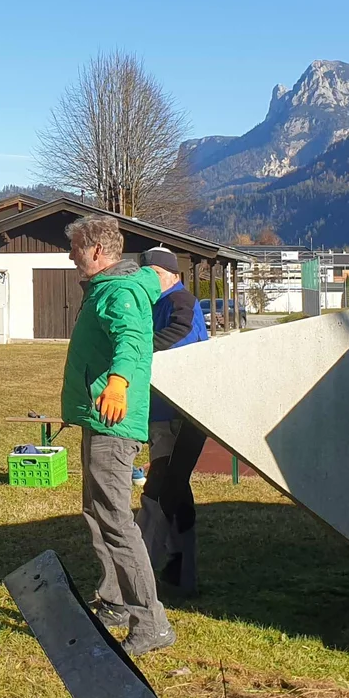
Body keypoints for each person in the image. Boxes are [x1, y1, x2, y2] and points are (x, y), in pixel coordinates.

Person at [61, 214, 175, 654]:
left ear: (95, 251)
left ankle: (150, 623)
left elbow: (132, 341)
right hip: (98, 418)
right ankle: (115, 601)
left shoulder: (121, 290)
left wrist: (119, 383)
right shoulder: (105, 288)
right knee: (96, 511)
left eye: (75, 248)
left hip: (113, 420)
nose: (70, 256)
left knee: (116, 520)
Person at [137, 248, 210, 595]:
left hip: (182, 413)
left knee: (161, 488)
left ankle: (140, 573)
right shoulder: (157, 301)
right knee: (176, 489)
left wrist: (138, 348)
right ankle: (181, 569)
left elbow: (181, 334)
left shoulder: (181, 300)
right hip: (161, 411)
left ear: (167, 273)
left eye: (151, 275)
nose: (146, 281)